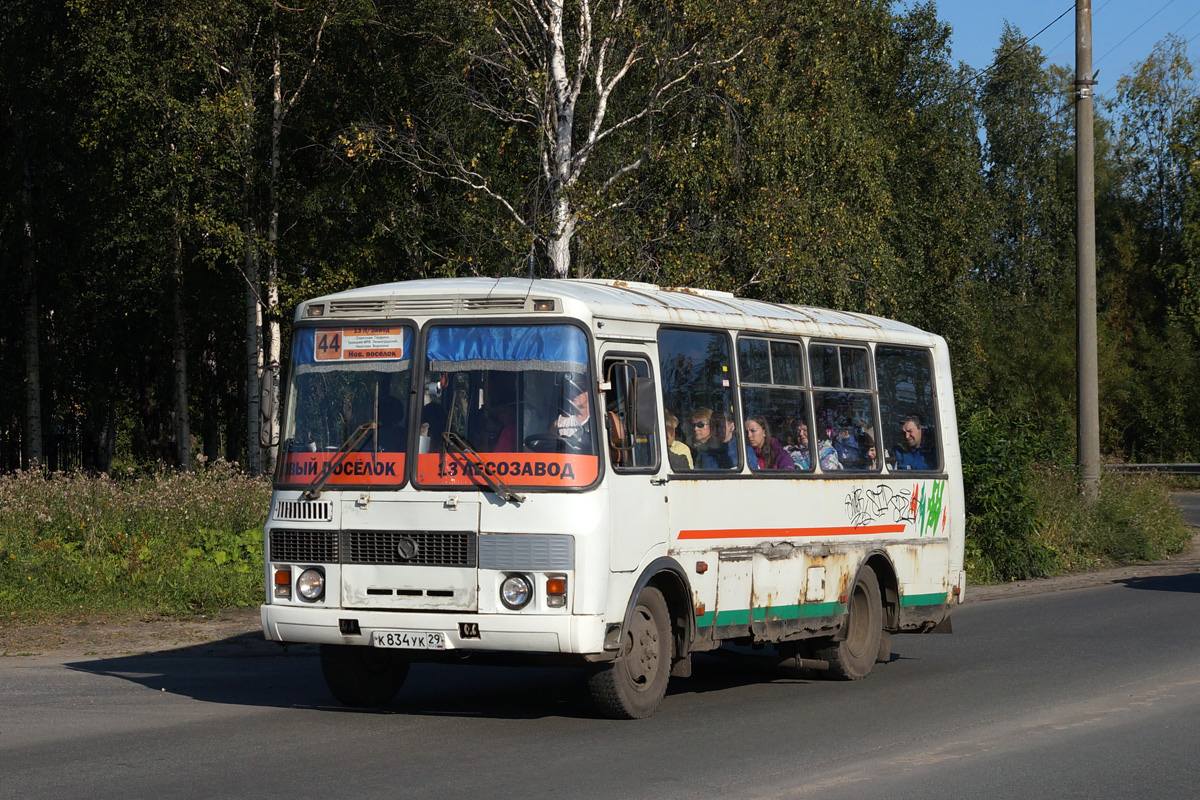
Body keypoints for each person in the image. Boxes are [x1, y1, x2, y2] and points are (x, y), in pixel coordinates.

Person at [551, 373, 593, 450]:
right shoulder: (559, 423)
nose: (574, 393)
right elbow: (548, 448)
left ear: (589, 391)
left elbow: (618, 454)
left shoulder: (604, 420)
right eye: (571, 389)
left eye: (579, 389)